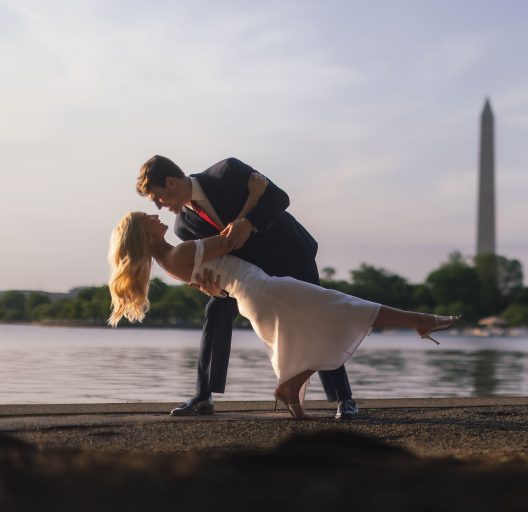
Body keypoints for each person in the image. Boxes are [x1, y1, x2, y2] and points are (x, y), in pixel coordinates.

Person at [107, 212, 459, 419]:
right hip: (263, 290)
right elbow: (232, 239)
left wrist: (215, 287)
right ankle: (419, 319)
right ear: (145, 235)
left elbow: (215, 282)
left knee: (326, 326)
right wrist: (251, 202)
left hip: (254, 296)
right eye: (148, 219)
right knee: (342, 307)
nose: (156, 217)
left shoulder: (171, 264)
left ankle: (290, 386)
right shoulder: (180, 250)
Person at [135, 155, 361, 419]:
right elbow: (216, 258)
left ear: (171, 182)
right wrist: (211, 286)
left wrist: (249, 221)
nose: (160, 207)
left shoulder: (226, 172)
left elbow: (279, 198)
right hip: (246, 277)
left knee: (317, 320)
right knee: (215, 311)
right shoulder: (183, 226)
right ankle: (202, 397)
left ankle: (344, 399)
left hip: (290, 255)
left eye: (157, 199)